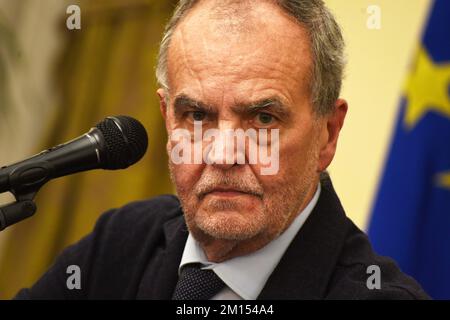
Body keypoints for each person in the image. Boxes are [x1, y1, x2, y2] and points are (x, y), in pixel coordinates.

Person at [15, 0, 429, 299]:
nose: (223, 153)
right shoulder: (122, 240)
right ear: (167, 117)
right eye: (196, 115)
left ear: (328, 132)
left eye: (263, 119)